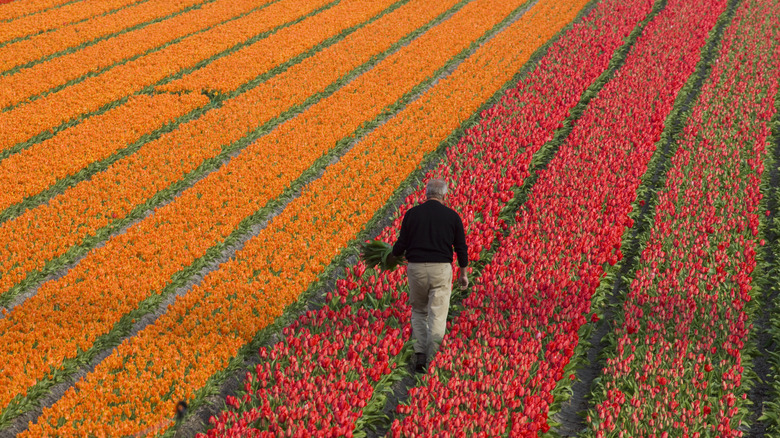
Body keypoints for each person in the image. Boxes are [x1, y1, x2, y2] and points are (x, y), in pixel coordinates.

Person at [391, 178, 468, 373]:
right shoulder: (452, 217)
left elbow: (401, 244)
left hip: (416, 269)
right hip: (441, 269)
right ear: (444, 195)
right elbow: (461, 248)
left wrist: (391, 257)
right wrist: (463, 273)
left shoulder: (412, 214)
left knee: (419, 310)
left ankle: (419, 354)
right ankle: (433, 357)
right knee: (438, 314)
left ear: (426, 194)